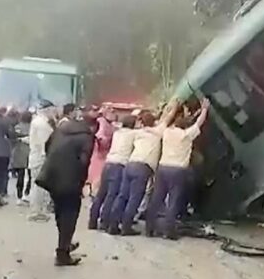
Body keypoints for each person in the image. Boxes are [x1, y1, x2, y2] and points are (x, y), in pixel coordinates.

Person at [107, 100, 179, 236]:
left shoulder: (138, 132)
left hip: (130, 164)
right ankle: (126, 227)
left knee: (122, 196)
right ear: (154, 122)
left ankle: (113, 224)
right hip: (143, 168)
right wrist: (174, 106)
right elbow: (168, 118)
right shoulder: (158, 131)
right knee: (135, 198)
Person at [35, 113, 96, 266]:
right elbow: (84, 161)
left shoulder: (60, 129)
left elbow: (47, 146)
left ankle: (64, 243)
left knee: (60, 210)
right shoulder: (87, 136)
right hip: (70, 179)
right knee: (70, 214)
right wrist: (81, 181)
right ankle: (63, 253)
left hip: (51, 175)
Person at [146, 100, 210, 239]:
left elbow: (165, 120)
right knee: (173, 201)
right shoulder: (186, 135)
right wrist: (204, 109)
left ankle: (149, 228)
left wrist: (174, 109)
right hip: (178, 171)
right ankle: (169, 231)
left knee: (157, 198)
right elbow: (199, 123)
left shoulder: (167, 132)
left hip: (163, 168)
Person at [88, 114, 136, 230]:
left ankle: (92, 221)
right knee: (112, 195)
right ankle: (105, 221)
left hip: (108, 163)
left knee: (101, 194)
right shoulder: (133, 134)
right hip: (119, 165)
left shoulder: (117, 133)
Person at [28, 101, 56, 222]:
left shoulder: (38, 121)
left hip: (36, 156)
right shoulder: (42, 124)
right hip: (40, 158)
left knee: (37, 185)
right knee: (39, 186)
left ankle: (37, 210)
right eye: (52, 110)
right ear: (47, 110)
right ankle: (37, 211)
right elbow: (45, 142)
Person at [85, 108, 114, 197]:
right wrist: (103, 140)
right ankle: (92, 189)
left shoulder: (110, 124)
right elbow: (100, 135)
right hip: (99, 151)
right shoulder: (102, 122)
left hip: (103, 152)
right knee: (96, 172)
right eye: (111, 112)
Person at [11, 111, 32, 206]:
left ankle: (19, 196)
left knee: (21, 175)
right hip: (30, 153)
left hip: (19, 154)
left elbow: (13, 138)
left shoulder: (17, 127)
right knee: (30, 176)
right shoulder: (32, 127)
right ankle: (26, 194)